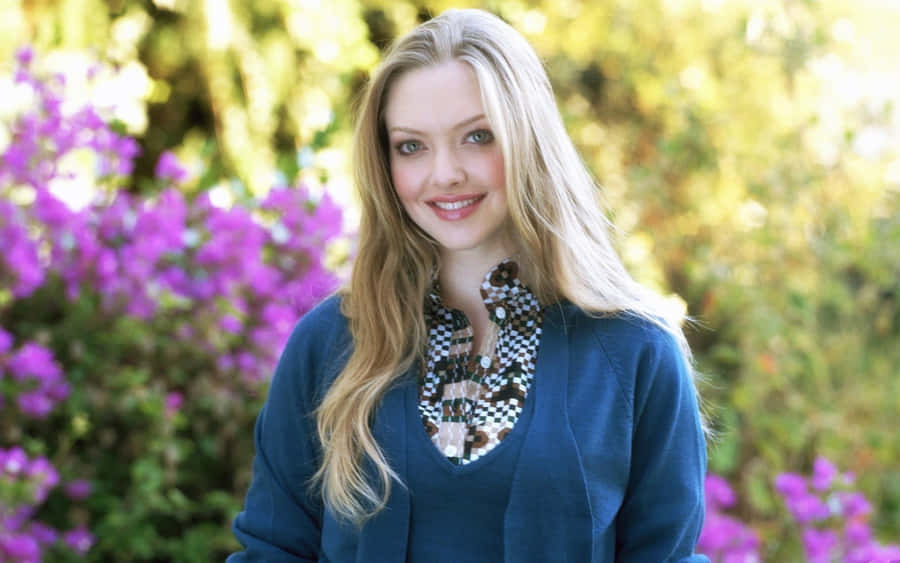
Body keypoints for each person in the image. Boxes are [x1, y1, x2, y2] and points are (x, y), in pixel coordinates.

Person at [228, 8, 708, 562]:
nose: (445, 173)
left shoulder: (634, 352)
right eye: (411, 146)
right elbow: (274, 549)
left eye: (477, 137)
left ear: (529, 142)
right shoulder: (331, 343)